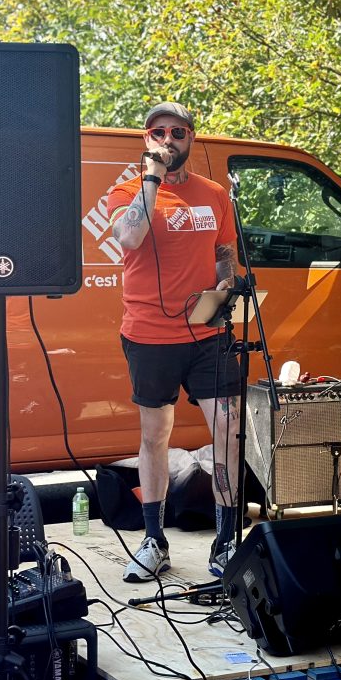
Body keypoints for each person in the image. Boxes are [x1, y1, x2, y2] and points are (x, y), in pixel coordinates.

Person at [107, 101, 242, 581]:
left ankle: (226, 542)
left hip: (207, 332)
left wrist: (226, 285)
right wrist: (152, 178)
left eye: (178, 132)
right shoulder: (128, 191)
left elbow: (225, 254)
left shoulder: (214, 195)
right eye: (159, 132)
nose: (169, 140)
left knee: (228, 431)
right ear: (147, 139)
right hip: (149, 334)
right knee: (155, 435)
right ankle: (153, 541)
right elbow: (129, 237)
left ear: (191, 138)